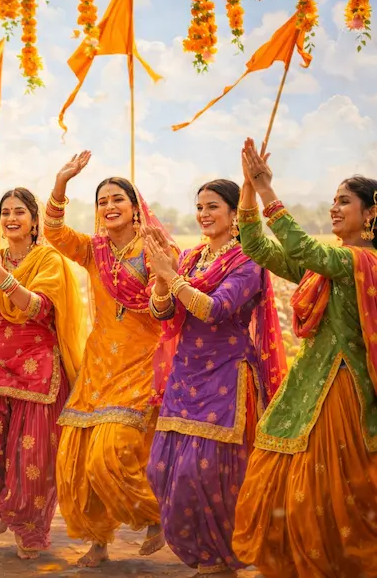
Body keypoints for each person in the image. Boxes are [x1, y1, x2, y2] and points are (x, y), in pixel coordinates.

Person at [231, 138, 377, 578]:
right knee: (281, 480)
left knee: (330, 493)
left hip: (341, 392)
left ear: (371, 213)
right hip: (305, 389)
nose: (335, 209)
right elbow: (260, 248)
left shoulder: (361, 261)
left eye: (345, 202)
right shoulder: (328, 264)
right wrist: (249, 189)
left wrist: (268, 189)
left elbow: (307, 250)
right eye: (332, 201)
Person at [143, 179, 287, 577]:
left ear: (233, 216)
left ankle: (223, 558)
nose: (204, 214)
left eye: (213, 207)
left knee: (211, 472)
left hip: (227, 375)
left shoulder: (247, 261)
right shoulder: (190, 259)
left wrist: (170, 277)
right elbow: (163, 313)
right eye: (199, 207)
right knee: (163, 469)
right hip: (186, 374)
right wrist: (161, 279)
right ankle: (205, 556)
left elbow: (215, 309)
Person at [44, 151, 173, 567]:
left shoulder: (157, 247)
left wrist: (160, 280)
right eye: (102, 201)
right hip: (98, 365)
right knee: (77, 458)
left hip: (140, 363)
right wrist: (62, 183)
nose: (109, 206)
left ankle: (156, 515)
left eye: (118, 198)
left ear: (136, 208)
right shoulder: (94, 249)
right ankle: (98, 541)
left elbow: (164, 311)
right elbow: (55, 233)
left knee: (111, 451)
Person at [0, 188, 84, 560]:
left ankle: (29, 527)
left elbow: (39, 310)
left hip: (39, 366)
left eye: (19, 212)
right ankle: (7, 506)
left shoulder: (48, 259)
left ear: (33, 221)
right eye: (6, 212)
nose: (11, 218)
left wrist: (0, 275)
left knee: (31, 456)